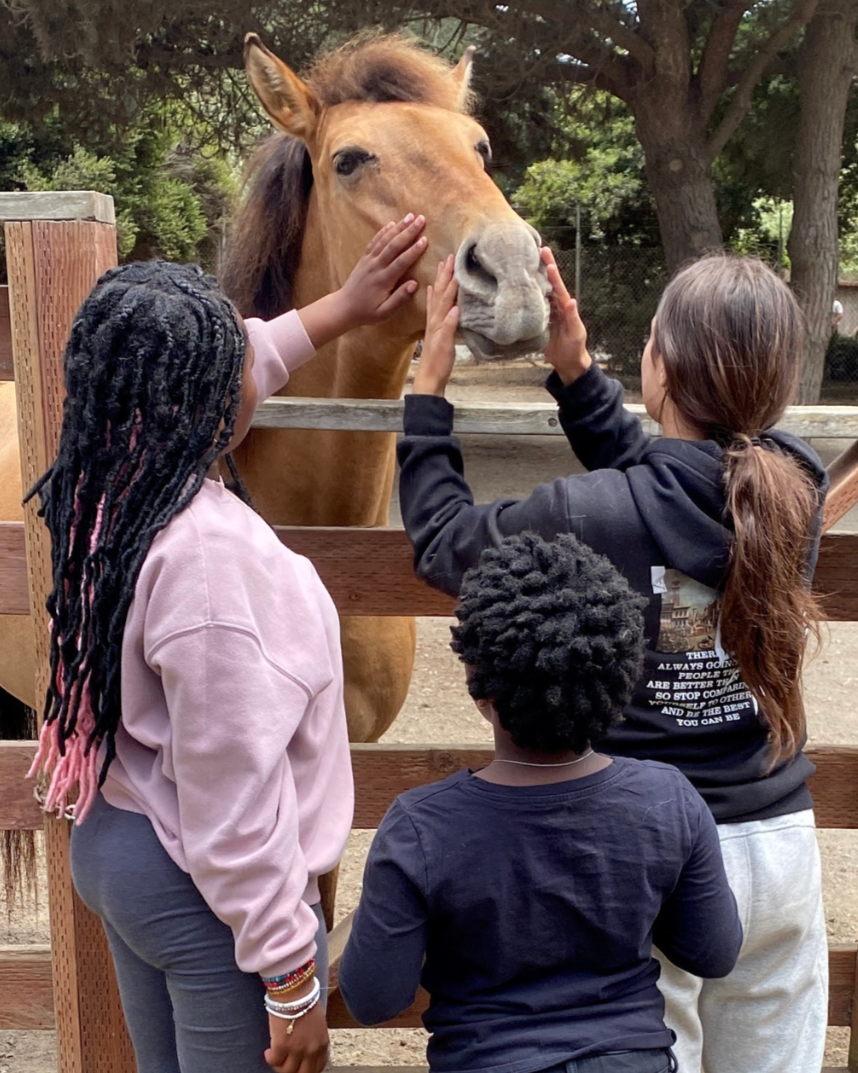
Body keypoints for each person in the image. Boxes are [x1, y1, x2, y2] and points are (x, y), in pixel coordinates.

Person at [396, 252, 829, 1073]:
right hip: (779, 844)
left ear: (659, 366)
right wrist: (578, 375)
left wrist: (427, 395)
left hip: (650, 855)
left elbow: (446, 539)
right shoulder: (793, 487)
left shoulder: (589, 514)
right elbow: (672, 478)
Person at [25, 214, 428, 1073]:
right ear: (209, 400)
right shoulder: (212, 560)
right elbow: (231, 795)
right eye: (240, 366)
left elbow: (238, 358)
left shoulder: (107, 482)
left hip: (122, 838)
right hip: (203, 891)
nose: (262, 364)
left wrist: (343, 309)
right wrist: (289, 972)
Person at [339, 531, 743, 1073]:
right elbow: (713, 952)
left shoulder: (422, 827)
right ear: (620, 671)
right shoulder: (666, 801)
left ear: (476, 682)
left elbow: (374, 998)